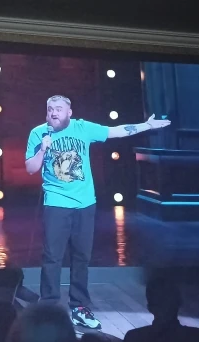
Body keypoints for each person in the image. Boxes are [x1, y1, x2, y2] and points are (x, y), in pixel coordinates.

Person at [25, 95, 170, 329]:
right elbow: (31, 168)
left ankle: (79, 307)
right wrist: (42, 150)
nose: (53, 113)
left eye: (59, 109)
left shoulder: (83, 128)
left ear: (69, 112)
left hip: (85, 204)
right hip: (56, 203)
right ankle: (49, 308)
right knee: (52, 257)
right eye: (50, 109)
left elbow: (116, 131)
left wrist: (147, 126)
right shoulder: (38, 133)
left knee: (81, 257)